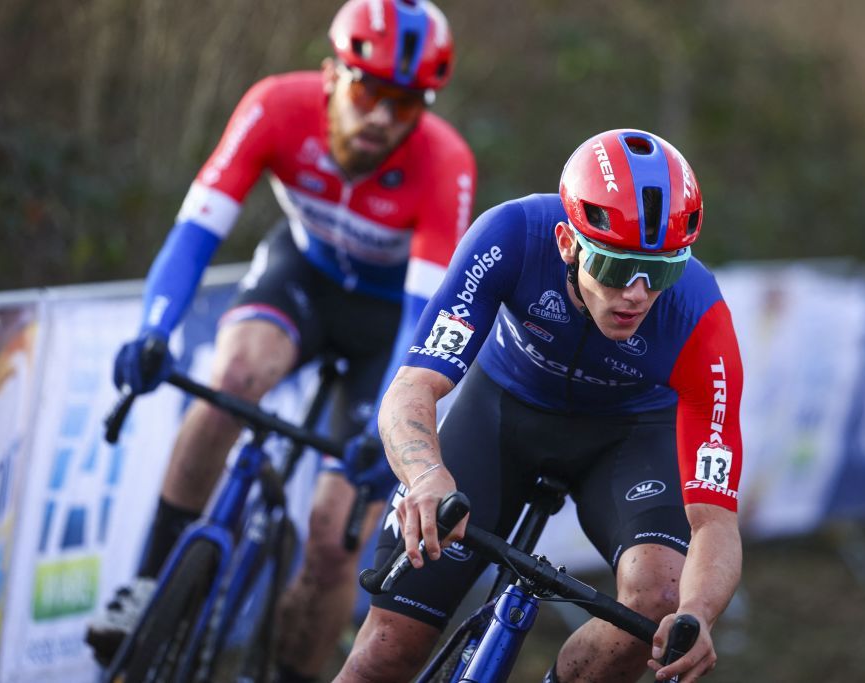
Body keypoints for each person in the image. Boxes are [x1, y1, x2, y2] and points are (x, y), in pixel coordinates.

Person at [84, 1, 475, 680]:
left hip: (388, 325)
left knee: (332, 537)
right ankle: (149, 579)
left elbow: (422, 321)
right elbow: (196, 232)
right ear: (331, 74)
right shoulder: (275, 106)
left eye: (407, 102)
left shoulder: (445, 162)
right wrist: (155, 329)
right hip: (302, 278)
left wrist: (395, 436)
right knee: (232, 379)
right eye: (369, 90)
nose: (384, 116)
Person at [334, 128, 743, 683]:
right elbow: (412, 387)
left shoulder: (700, 317)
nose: (638, 294)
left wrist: (697, 611)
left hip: (629, 438)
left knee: (659, 597)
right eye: (619, 267)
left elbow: (715, 518)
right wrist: (425, 475)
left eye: (663, 270)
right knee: (383, 653)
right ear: (568, 244)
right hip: (504, 413)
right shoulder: (511, 235)